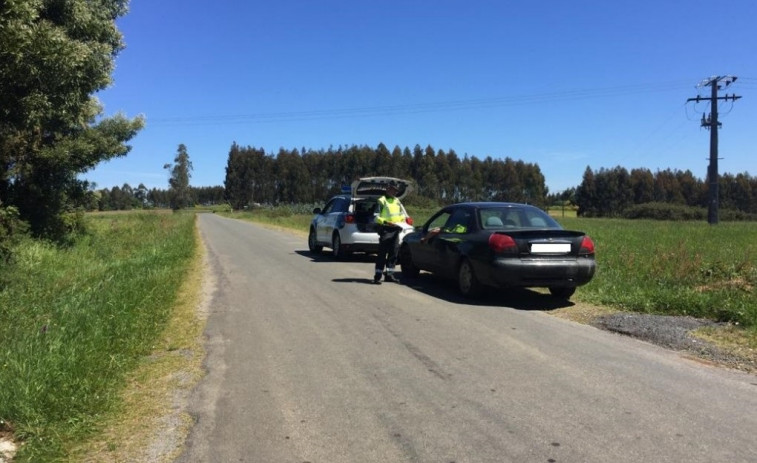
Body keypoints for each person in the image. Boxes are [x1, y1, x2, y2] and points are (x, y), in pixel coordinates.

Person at [373, 181, 408, 284]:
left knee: (393, 253)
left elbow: (401, 214)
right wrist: (386, 222)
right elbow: (376, 217)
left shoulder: (397, 201)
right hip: (386, 229)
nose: (394, 192)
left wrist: (402, 221)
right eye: (393, 189)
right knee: (382, 254)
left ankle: (389, 275)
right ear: (388, 189)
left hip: (396, 229)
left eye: (396, 190)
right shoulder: (381, 201)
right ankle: (377, 276)